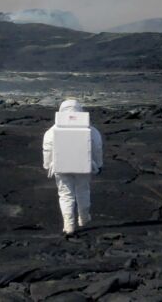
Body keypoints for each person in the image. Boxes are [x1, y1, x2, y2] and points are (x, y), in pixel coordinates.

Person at [42, 99, 103, 235]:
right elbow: (97, 147)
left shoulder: (52, 131)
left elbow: (47, 149)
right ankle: (84, 218)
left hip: (61, 166)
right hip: (83, 165)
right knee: (83, 191)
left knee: (65, 195)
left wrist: (47, 165)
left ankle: (69, 226)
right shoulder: (91, 130)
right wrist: (98, 164)